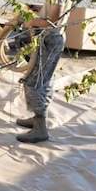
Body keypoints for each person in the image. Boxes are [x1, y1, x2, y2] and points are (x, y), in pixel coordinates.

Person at [14, 11, 66, 143]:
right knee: (44, 80)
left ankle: (40, 128)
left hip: (50, 40)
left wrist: (30, 21)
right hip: (51, 38)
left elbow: (54, 21)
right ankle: (38, 119)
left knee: (33, 82)